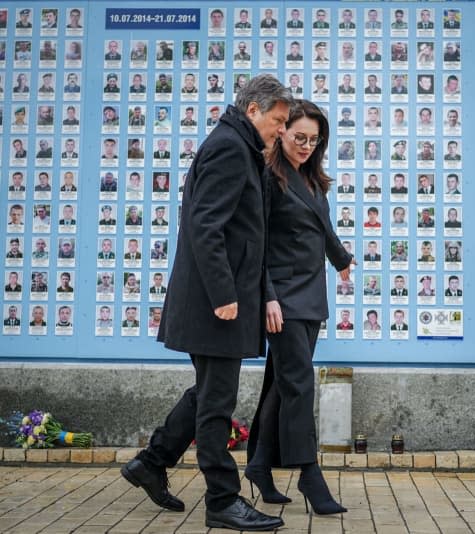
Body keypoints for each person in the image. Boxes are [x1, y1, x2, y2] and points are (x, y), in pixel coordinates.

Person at [121, 74, 291, 532]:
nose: (281, 130)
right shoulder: (230, 149)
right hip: (219, 304)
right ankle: (222, 500)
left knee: (207, 392)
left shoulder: (238, 145)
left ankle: (151, 463)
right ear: (254, 110)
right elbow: (204, 226)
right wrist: (224, 296)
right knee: (218, 400)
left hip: (223, 301)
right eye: (278, 120)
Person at [245, 100, 352, 516]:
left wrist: (341, 259)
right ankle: (309, 473)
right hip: (282, 299)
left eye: (314, 139)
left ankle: (257, 466)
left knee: (280, 383)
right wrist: (267, 294)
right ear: (282, 133)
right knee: (299, 382)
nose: (306, 146)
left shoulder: (312, 179)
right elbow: (259, 241)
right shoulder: (269, 178)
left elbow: (323, 229)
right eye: (298, 137)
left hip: (311, 297)